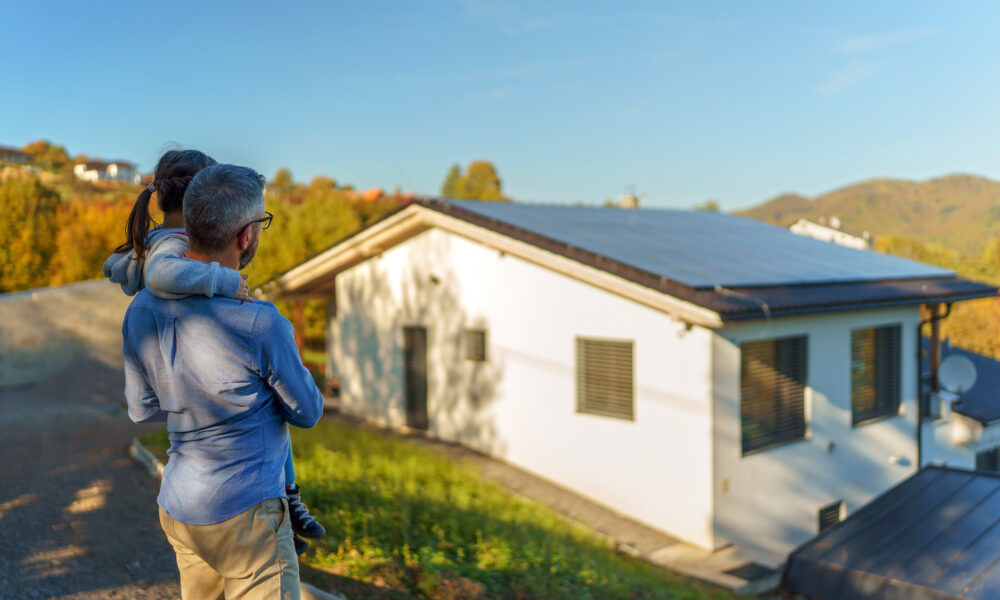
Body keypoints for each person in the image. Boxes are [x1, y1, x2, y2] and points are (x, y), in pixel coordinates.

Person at [105, 150, 325, 553]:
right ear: (243, 234)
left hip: (179, 507)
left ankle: (292, 496)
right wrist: (222, 282)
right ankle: (292, 496)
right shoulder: (259, 321)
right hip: (248, 513)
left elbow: (140, 409)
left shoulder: (139, 312)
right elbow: (307, 412)